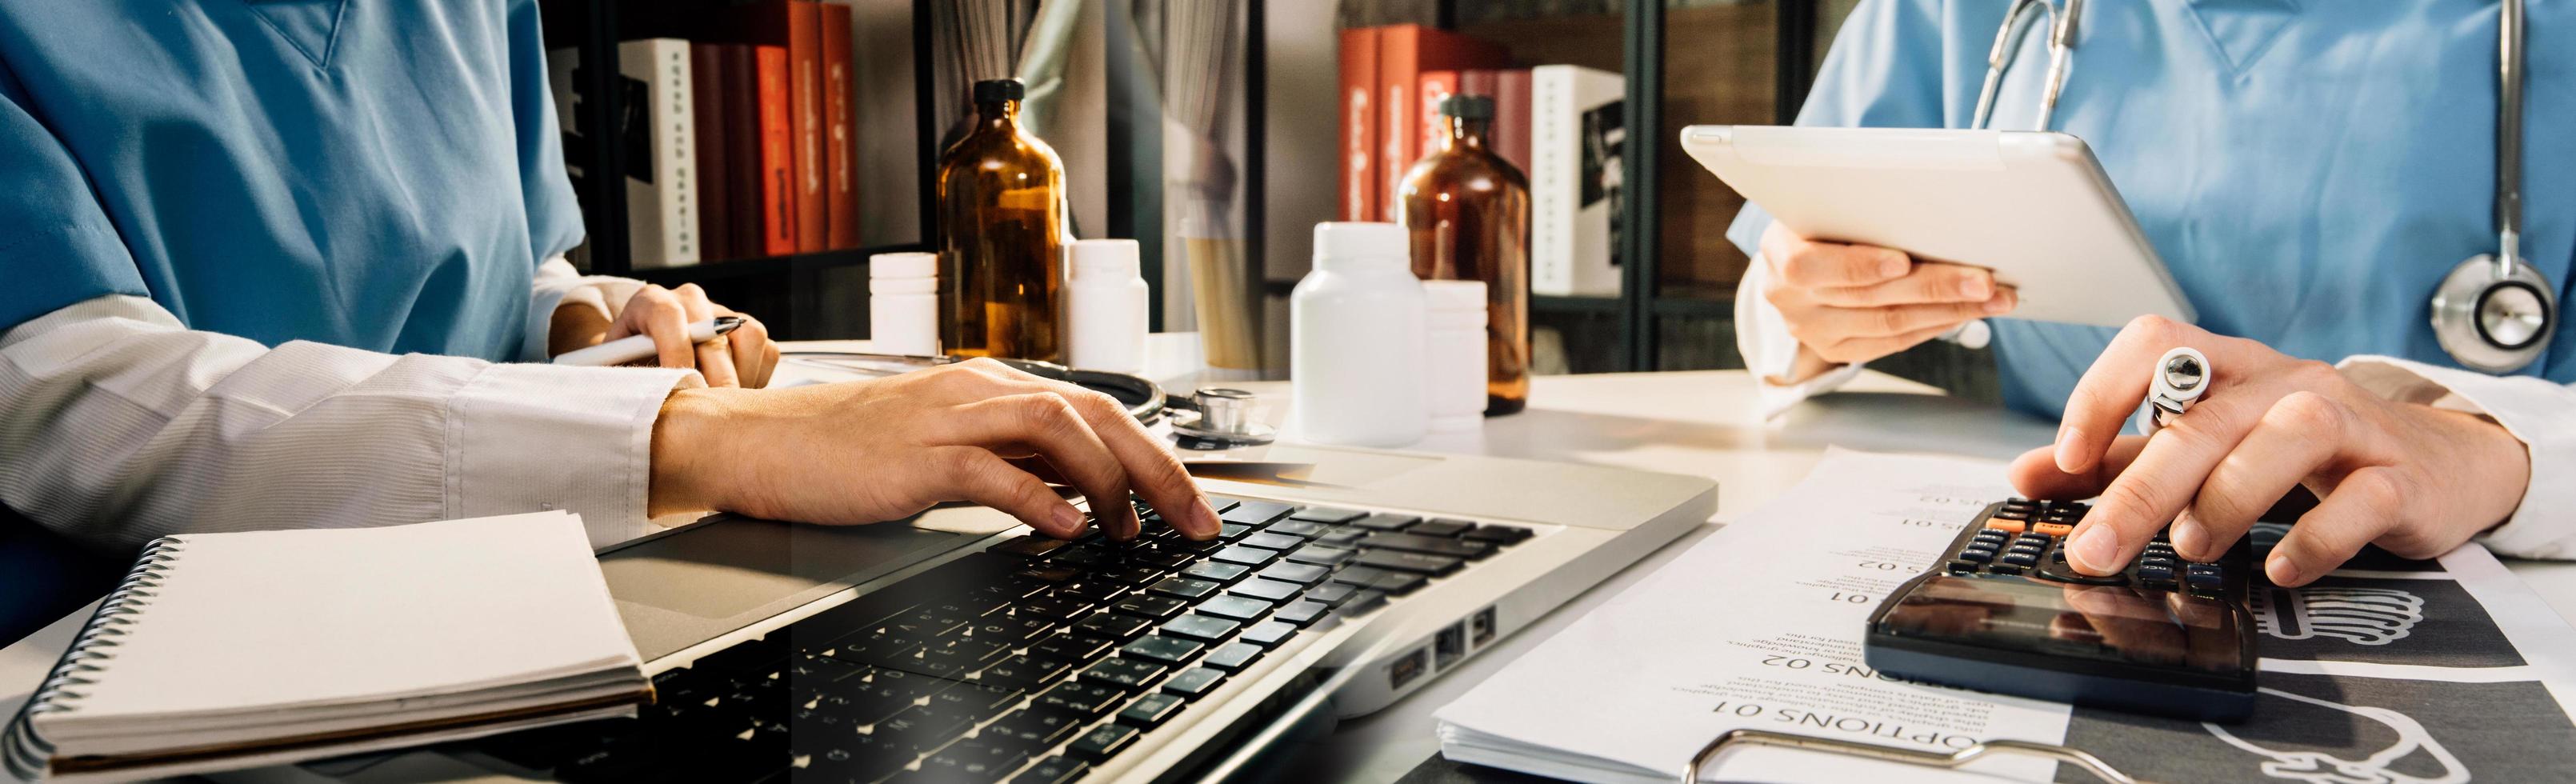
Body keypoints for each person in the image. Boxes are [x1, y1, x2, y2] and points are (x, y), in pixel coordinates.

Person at [0, 2, 1214, 640]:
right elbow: (74, 400)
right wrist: (712, 437)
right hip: (140, 658)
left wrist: (606, 320)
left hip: (512, 585)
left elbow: (510, 263)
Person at [1729, 1, 2574, 586]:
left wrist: (2502, 455)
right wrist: (1810, 313)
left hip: (2453, 563)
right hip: (2051, 507)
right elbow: (1778, 286)